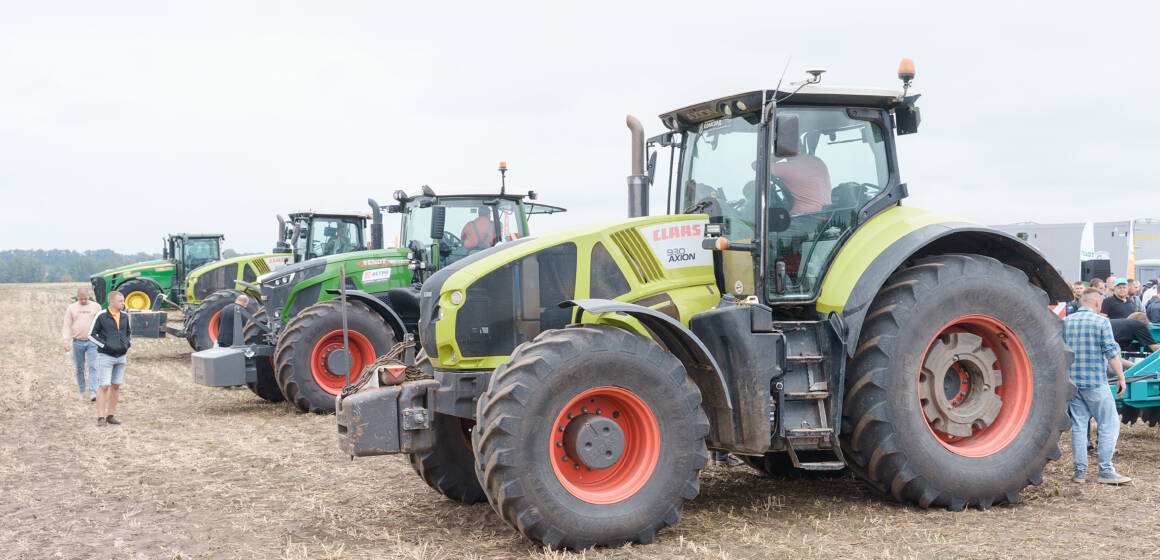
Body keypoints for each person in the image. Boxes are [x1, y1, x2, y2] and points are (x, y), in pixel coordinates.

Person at [1063, 288, 1130, 485]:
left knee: (1079, 426)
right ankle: (1106, 471)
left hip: (1073, 384)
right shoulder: (1101, 322)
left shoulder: (1066, 322)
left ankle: (1080, 472)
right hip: (1095, 383)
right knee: (1109, 424)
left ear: (1081, 302)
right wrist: (1121, 377)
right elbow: (1111, 352)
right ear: (1098, 303)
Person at [88, 290, 131, 427]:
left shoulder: (125, 316)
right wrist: (105, 345)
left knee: (116, 385)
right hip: (105, 356)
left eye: (123, 301)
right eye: (120, 301)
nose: (123, 303)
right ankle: (100, 417)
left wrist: (127, 344)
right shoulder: (101, 316)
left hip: (121, 357)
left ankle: (110, 416)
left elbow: (128, 333)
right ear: (111, 302)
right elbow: (91, 334)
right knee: (104, 386)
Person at [62, 286, 102, 401]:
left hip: (92, 342)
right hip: (77, 342)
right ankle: (81, 391)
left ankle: (93, 392)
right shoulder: (71, 308)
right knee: (79, 368)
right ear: (77, 297)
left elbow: (101, 323)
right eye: (81, 299)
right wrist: (66, 340)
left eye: (85, 299)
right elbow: (67, 325)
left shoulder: (96, 307)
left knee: (93, 367)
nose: (83, 301)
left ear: (88, 296)